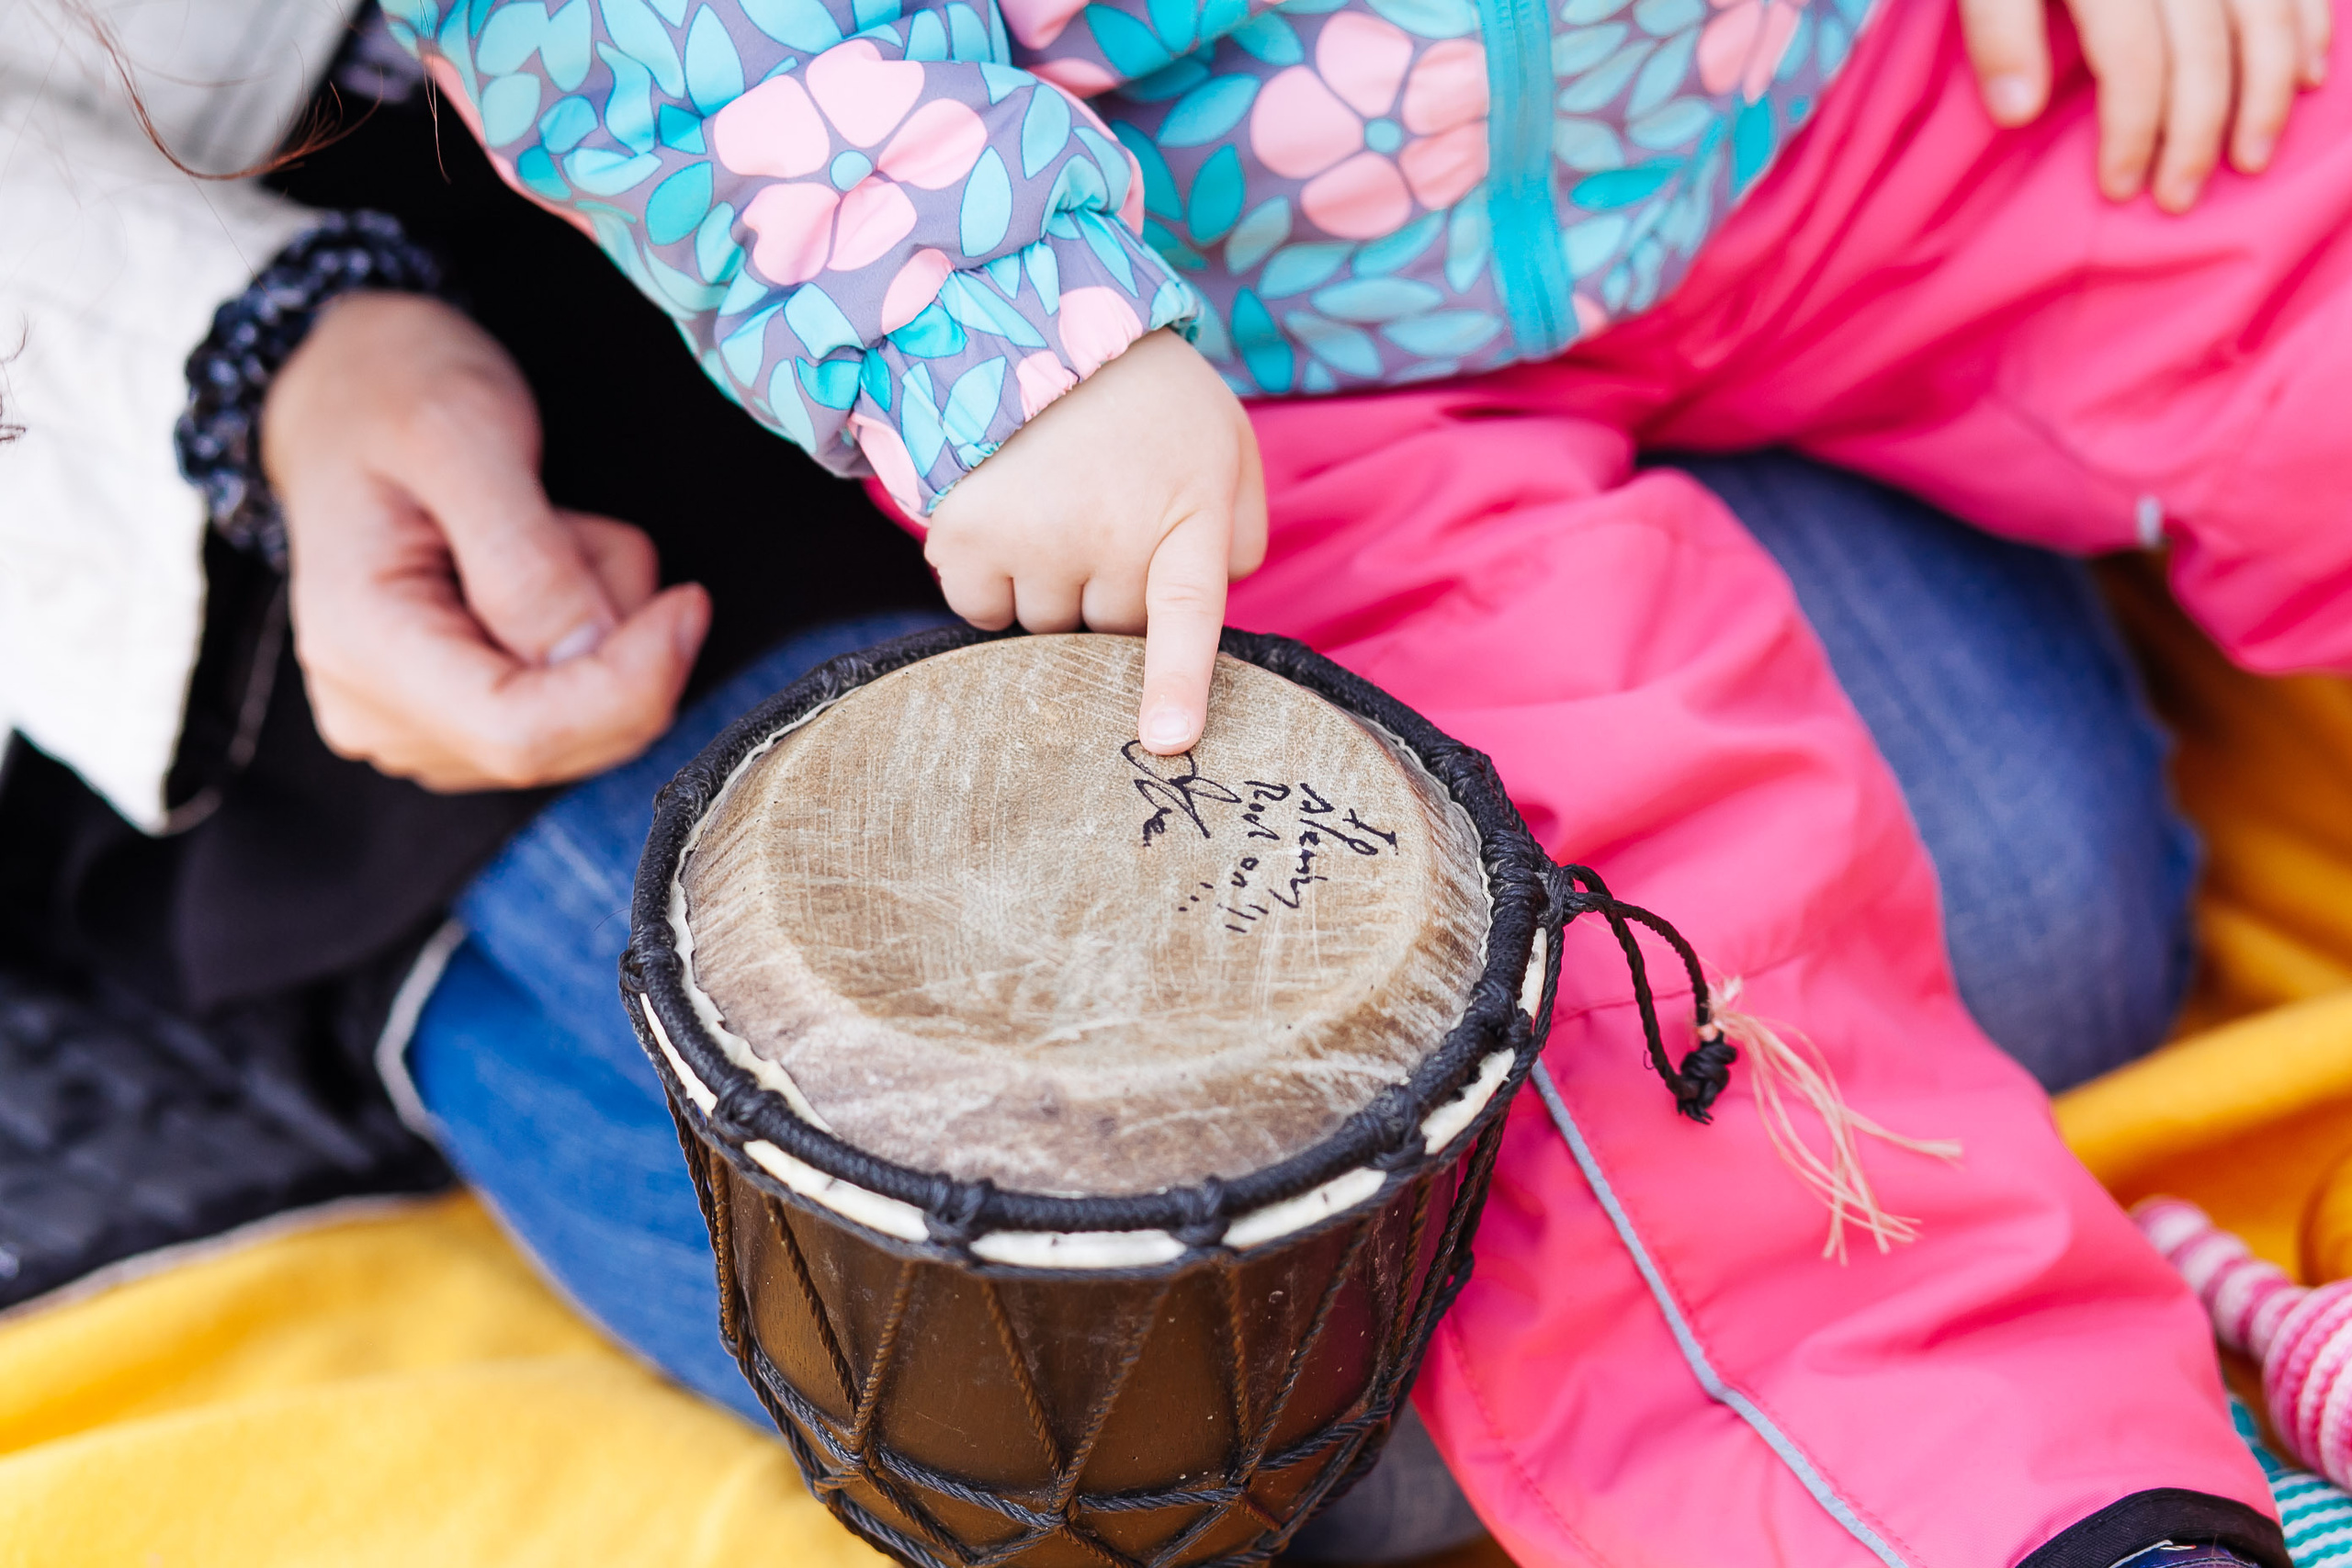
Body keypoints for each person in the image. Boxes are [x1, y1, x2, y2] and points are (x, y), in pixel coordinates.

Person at [0, 5, 2267, 1568]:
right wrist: (989, 324)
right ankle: (2017, 1508)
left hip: (1772, 108)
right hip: (1191, 305)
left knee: (2056, 862)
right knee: (1358, 1234)